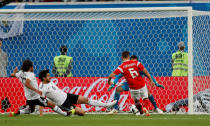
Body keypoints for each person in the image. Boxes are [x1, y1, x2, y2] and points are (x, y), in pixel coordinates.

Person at [38, 69, 117, 116]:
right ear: (44, 78)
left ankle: (107, 105)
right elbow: (42, 101)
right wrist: (41, 114)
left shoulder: (49, 82)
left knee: (85, 99)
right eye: (48, 76)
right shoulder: (42, 88)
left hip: (67, 96)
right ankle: (68, 111)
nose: (50, 77)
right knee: (82, 113)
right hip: (63, 103)